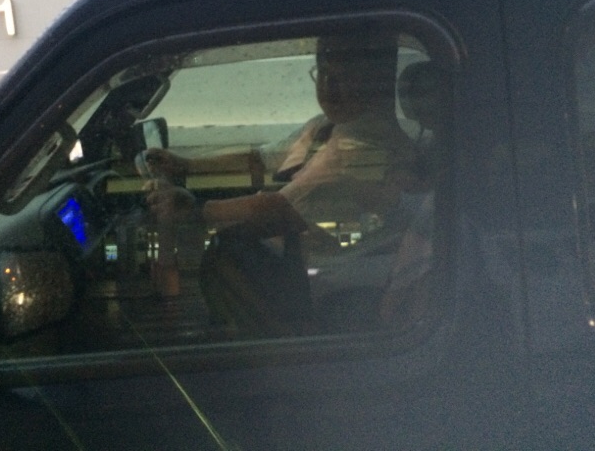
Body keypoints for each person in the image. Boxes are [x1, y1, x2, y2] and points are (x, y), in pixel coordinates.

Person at [143, 23, 419, 334]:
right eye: (323, 72)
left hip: (339, 285)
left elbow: (277, 208)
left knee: (226, 251)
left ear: (374, 79)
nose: (328, 86)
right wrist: (186, 166)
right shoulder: (326, 127)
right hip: (313, 266)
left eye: (343, 74)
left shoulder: (362, 145)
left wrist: (196, 210)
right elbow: (261, 158)